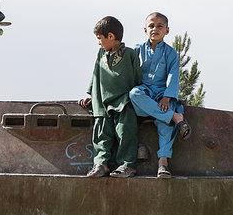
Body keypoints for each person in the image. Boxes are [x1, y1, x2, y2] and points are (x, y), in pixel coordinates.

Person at [128, 12, 191, 179]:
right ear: (145, 29)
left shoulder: (170, 53)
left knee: (165, 123)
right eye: (151, 26)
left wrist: (167, 97)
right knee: (134, 93)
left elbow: (173, 75)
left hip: (162, 95)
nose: (155, 29)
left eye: (159, 26)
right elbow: (127, 74)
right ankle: (175, 117)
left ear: (167, 30)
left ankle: (163, 163)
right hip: (144, 95)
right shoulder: (136, 50)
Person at [78, 16, 142, 178]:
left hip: (124, 100)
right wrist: (90, 94)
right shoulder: (101, 53)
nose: (98, 42)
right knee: (101, 135)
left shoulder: (130, 54)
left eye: (100, 38)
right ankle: (101, 164)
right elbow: (95, 74)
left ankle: (127, 165)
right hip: (102, 101)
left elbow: (137, 77)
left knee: (126, 132)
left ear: (111, 36)